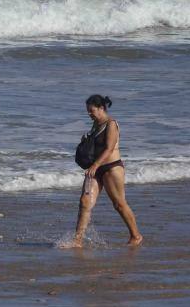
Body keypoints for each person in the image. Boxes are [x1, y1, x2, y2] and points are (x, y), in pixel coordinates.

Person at [59, 95, 143, 248]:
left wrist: (95, 165)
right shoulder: (95, 125)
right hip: (95, 168)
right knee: (85, 202)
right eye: (88, 111)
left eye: (91, 111)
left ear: (101, 108)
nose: (89, 114)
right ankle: (78, 240)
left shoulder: (111, 124)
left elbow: (109, 148)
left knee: (119, 204)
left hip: (111, 168)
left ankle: (136, 236)